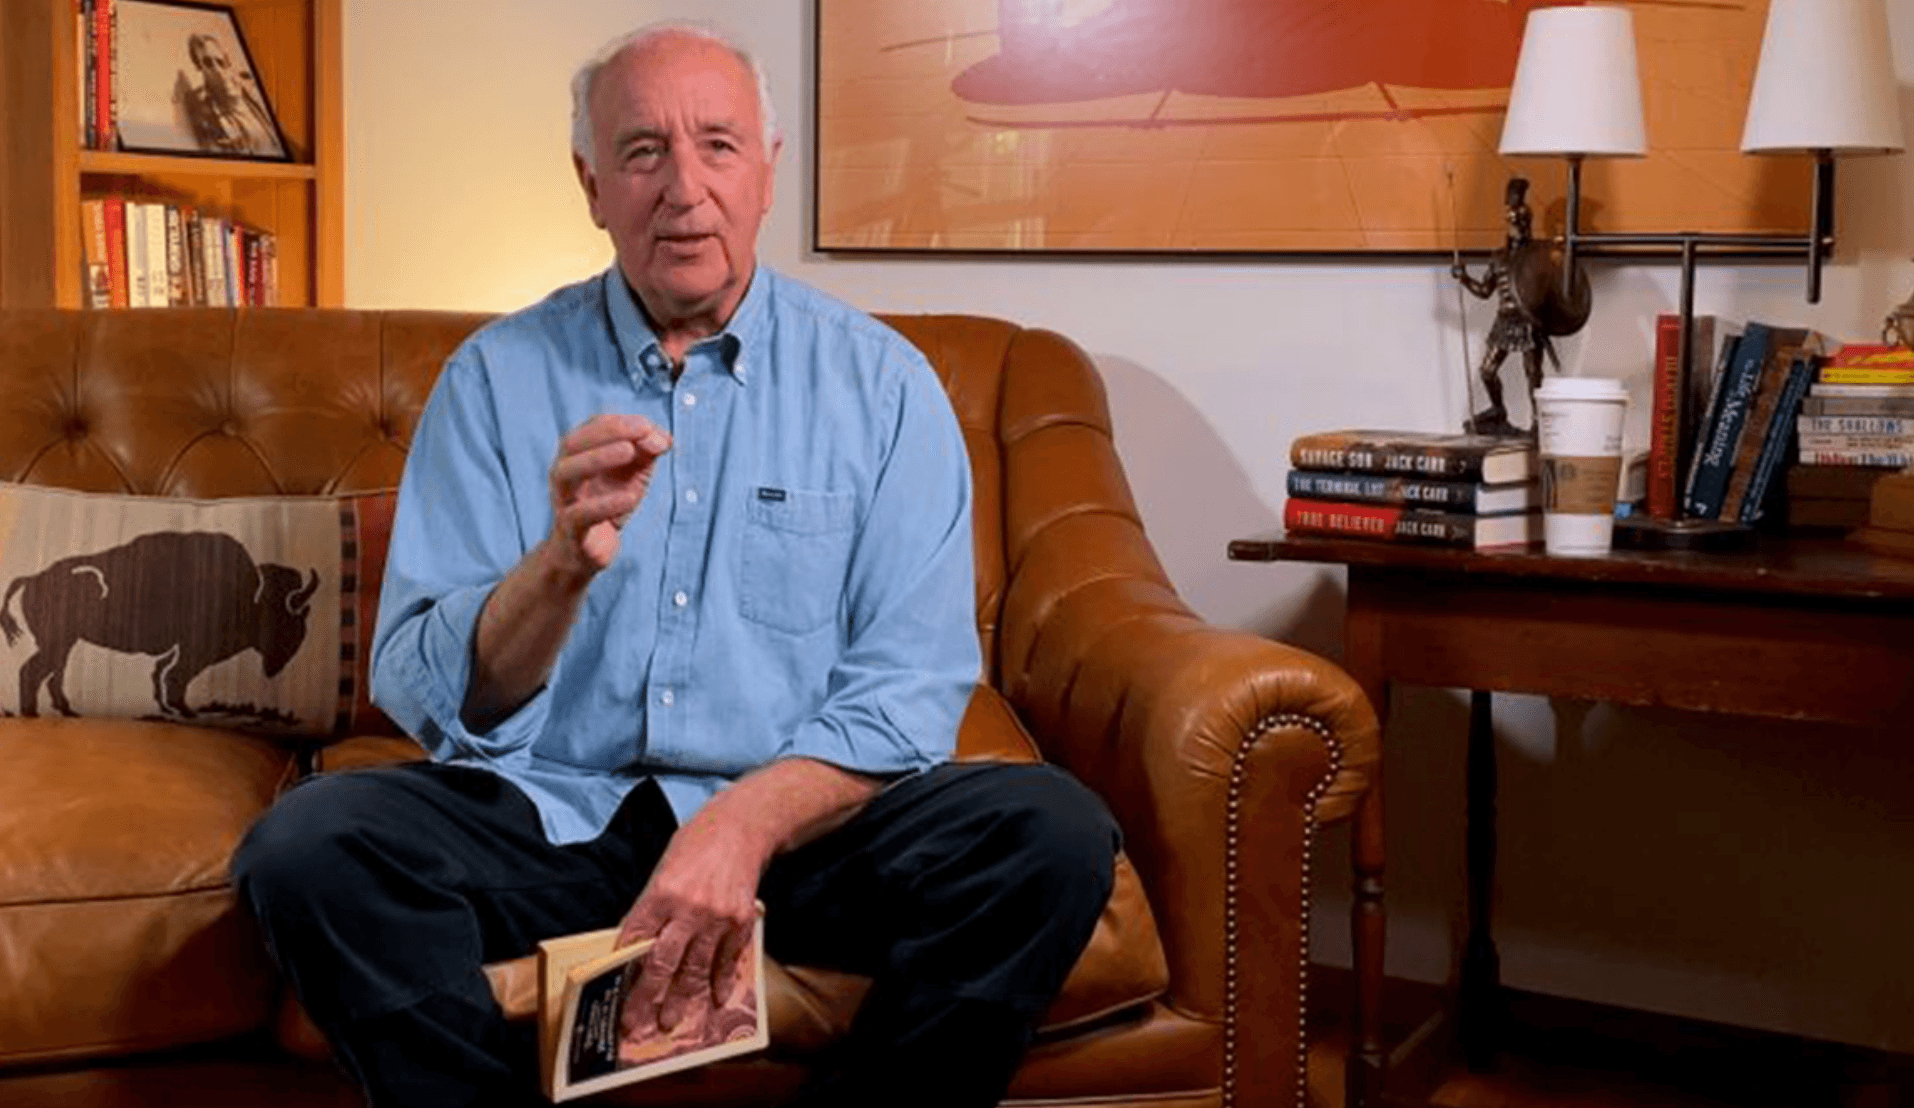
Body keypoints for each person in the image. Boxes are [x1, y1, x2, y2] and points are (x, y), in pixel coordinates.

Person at [230, 20, 1119, 1108]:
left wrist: (737, 827)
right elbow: (424, 690)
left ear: (768, 172)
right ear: (592, 181)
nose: (682, 186)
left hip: (806, 835)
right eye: (643, 150)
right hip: (558, 819)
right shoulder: (495, 380)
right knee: (310, 848)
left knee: (1053, 837)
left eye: (718, 145)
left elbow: (906, 693)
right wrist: (555, 568)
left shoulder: (885, 388)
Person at [1451, 176, 1557, 437]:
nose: (1519, 225)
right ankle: (1498, 411)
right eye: (1514, 221)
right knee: (1487, 371)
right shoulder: (1498, 258)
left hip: (1529, 321)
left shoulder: (1538, 256)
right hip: (1505, 321)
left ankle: (1537, 423)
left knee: (1532, 373)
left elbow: (1551, 292)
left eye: (1523, 220)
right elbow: (1485, 291)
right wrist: (1464, 278)